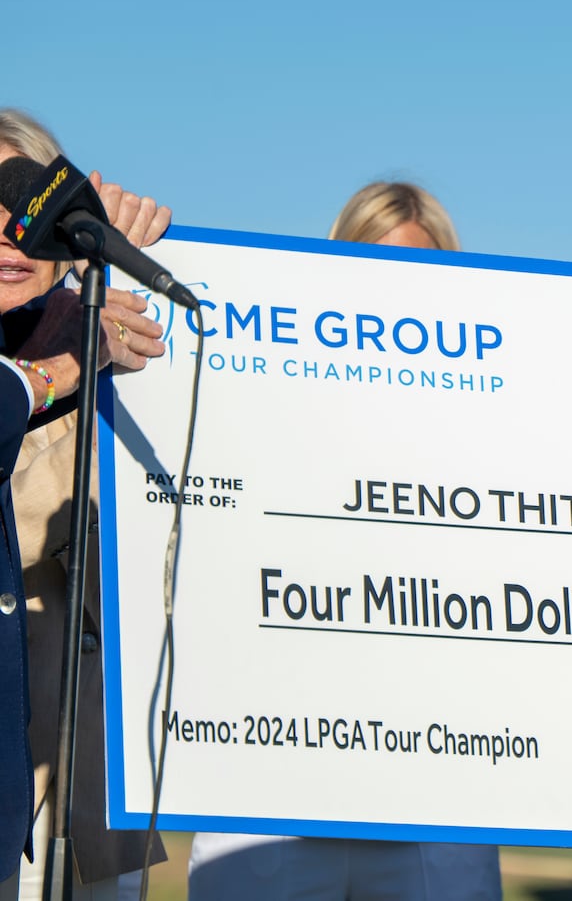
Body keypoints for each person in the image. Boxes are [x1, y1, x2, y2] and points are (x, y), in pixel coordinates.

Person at [186, 180, 502, 901]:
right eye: (367, 263)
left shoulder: (490, 430)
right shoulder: (254, 395)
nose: (390, 291)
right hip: (271, 785)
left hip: (436, 789)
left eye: (417, 271)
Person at [0, 110, 168, 893]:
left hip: (89, 787)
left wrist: (127, 273)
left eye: (28, 206)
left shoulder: (90, 317)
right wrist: (68, 363)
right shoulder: (74, 345)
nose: (8, 232)